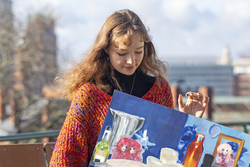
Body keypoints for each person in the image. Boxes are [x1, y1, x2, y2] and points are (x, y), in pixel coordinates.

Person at [50, 9, 209, 167]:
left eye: (138, 51)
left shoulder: (160, 90)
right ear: (106, 49)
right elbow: (65, 157)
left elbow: (166, 154)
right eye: (122, 53)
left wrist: (187, 121)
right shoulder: (88, 95)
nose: (131, 61)